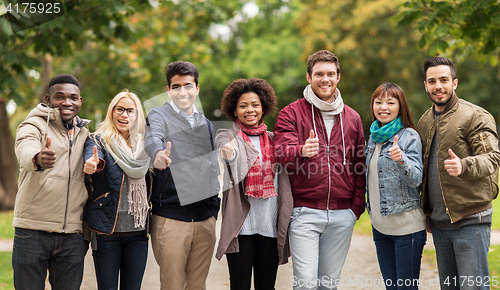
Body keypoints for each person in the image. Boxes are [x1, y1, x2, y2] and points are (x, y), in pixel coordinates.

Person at [273, 50, 366, 290]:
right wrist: (301, 151)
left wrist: (355, 208)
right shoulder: (291, 113)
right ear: (308, 77)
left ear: (338, 77)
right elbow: (281, 154)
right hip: (304, 213)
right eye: (319, 74)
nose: (325, 79)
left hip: (342, 214)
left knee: (329, 284)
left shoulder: (353, 118)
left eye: (330, 74)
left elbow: (359, 165)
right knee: (305, 283)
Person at [417, 56, 500, 290]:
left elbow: (492, 158)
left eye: (444, 79)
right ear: (425, 85)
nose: (438, 86)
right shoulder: (424, 122)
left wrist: (464, 165)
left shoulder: (475, 115)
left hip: (470, 221)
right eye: (432, 81)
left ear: (454, 83)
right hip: (440, 223)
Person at [144, 60, 221, 290]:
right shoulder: (158, 115)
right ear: (168, 90)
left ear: (197, 88)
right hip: (171, 219)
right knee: (173, 286)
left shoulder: (206, 124)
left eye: (188, 85)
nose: (182, 92)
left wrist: (213, 211)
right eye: (176, 86)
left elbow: (212, 168)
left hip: (204, 220)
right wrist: (157, 154)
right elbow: (152, 137)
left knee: (197, 286)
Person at [12, 74, 90, 290]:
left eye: (73, 97)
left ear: (80, 101)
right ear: (48, 99)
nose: (67, 102)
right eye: (59, 97)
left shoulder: (85, 134)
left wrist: (84, 233)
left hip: (71, 237)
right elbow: (25, 146)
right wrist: (37, 157)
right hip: (32, 232)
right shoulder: (33, 124)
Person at [215, 78, 293, 289]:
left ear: (263, 107)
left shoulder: (276, 139)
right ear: (234, 109)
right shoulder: (228, 135)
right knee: (239, 286)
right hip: (241, 227)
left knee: (266, 286)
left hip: (269, 223)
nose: (250, 110)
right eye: (243, 106)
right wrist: (228, 151)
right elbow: (225, 149)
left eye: (255, 105)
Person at [83, 91, 151, 290]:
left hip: (138, 232)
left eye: (130, 111)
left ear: (137, 115)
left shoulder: (146, 145)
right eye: (119, 109)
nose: (124, 115)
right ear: (111, 111)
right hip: (107, 232)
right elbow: (93, 158)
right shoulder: (98, 140)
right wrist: (92, 164)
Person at [365, 82, 426, 289]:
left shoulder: (409, 136)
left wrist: (402, 160)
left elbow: (416, 178)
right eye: (378, 102)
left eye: (391, 102)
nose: (384, 107)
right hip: (380, 228)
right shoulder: (373, 139)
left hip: (407, 230)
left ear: (400, 107)